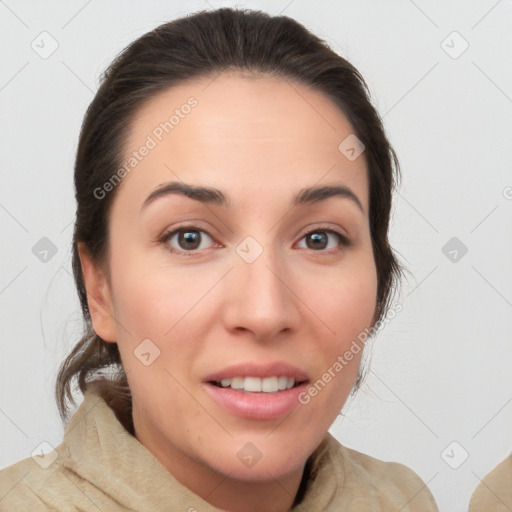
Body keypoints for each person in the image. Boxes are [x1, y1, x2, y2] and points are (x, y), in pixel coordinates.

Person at [0, 7, 438, 511]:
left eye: (319, 239)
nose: (264, 312)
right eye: (189, 238)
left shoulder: (401, 500)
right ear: (100, 287)